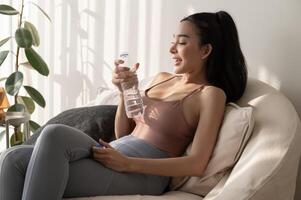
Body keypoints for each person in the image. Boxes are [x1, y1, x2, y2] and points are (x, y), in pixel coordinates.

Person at [0, 10, 247, 200]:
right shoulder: (162, 78)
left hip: (143, 173)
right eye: (173, 41)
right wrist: (124, 92)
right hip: (116, 152)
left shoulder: (210, 95)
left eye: (181, 42)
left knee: (54, 133)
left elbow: (197, 164)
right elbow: (123, 134)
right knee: (11, 158)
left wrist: (128, 163)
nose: (172, 48)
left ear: (205, 50)